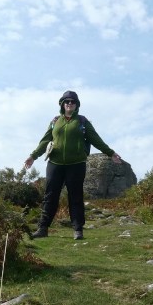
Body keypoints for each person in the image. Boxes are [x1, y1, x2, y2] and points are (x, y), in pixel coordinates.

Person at [24, 90, 122, 240]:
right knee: (50, 196)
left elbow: (96, 139)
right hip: (55, 163)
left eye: (73, 102)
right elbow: (44, 141)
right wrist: (33, 156)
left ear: (77, 105)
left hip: (76, 165)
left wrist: (110, 153)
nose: (70, 104)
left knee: (75, 197)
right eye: (67, 102)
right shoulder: (55, 122)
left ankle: (77, 229)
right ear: (62, 104)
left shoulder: (82, 122)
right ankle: (43, 228)